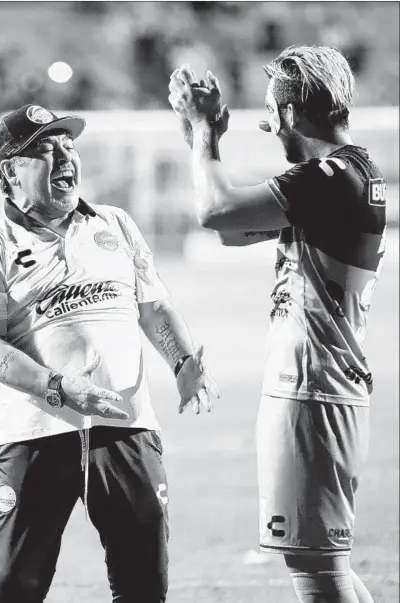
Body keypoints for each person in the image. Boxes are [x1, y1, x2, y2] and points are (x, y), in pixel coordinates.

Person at [0, 103, 220, 603]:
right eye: (47, 150)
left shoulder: (115, 225)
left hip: (127, 428)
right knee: (15, 588)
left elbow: (154, 307)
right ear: (11, 170)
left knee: (143, 585)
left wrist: (183, 364)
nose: (66, 158)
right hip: (35, 435)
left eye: (69, 146)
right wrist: (59, 388)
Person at [168, 46, 386, 603]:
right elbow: (233, 228)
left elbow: (215, 212)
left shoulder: (331, 177)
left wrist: (200, 132)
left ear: (290, 114)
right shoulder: (348, 175)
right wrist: (207, 142)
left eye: (271, 112)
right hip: (327, 385)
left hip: (311, 388)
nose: (269, 124)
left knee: (314, 566)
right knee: (322, 561)